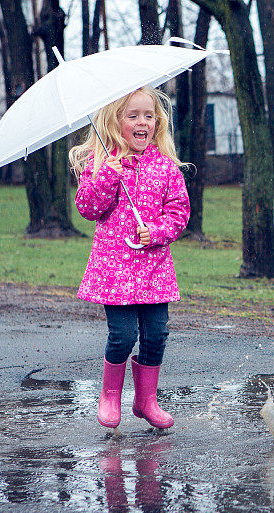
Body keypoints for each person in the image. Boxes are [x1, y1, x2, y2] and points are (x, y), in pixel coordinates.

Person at [69, 86, 190, 430]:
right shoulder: (102, 164)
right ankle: (109, 395)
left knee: (156, 334)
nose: (142, 122)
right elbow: (88, 208)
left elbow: (179, 214)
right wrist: (108, 174)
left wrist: (156, 231)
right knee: (122, 335)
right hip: (115, 270)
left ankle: (146, 400)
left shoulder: (166, 168)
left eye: (148, 116)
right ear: (115, 121)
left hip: (154, 272)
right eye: (132, 115)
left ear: (157, 122)